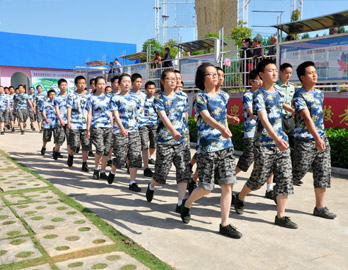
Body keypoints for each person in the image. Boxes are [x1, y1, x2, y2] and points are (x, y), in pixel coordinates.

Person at [233, 59, 298, 229]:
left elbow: (278, 103)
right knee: (258, 179)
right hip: (264, 143)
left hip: (280, 141)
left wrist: (290, 109)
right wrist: (276, 138)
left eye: (276, 70)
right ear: (261, 75)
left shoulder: (278, 91)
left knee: (285, 177)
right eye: (270, 70)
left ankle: (281, 215)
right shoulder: (257, 95)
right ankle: (240, 196)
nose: (275, 73)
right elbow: (262, 117)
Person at [180, 63, 242, 239]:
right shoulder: (200, 97)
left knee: (228, 185)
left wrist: (227, 128)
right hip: (207, 147)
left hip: (226, 146)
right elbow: (207, 117)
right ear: (202, 78)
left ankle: (225, 224)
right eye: (211, 74)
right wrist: (221, 129)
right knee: (206, 188)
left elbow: (222, 116)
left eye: (217, 74)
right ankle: (187, 204)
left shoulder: (224, 96)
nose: (216, 77)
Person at [292, 61, 336, 220]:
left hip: (321, 138)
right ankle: (280, 189)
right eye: (310, 73)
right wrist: (316, 138)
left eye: (315, 72)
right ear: (302, 77)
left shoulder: (319, 94)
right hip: (305, 140)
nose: (315, 75)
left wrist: (320, 137)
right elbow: (306, 117)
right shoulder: (299, 95)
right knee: (298, 172)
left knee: (323, 172)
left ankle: (320, 207)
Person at [145, 69, 190, 213]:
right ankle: (152, 185)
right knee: (162, 171)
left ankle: (180, 203)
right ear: (163, 81)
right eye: (169, 79)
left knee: (183, 171)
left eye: (175, 79)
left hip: (181, 140)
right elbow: (163, 118)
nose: (173, 81)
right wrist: (174, 131)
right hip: (165, 140)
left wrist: (184, 132)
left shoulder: (183, 97)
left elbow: (185, 116)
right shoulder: (159, 99)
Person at [107, 73, 142, 192]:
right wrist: (121, 128)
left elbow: (138, 113)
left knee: (135, 156)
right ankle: (113, 170)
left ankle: (132, 182)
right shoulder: (115, 98)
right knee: (121, 158)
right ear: (119, 83)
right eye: (124, 81)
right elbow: (115, 114)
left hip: (134, 131)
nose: (127, 84)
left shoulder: (135, 98)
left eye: (129, 82)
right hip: (120, 131)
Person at [87, 76, 113, 180]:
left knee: (106, 150)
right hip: (96, 126)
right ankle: (96, 168)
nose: (102, 86)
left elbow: (111, 113)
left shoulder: (109, 98)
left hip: (108, 126)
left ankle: (103, 170)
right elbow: (89, 114)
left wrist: (112, 127)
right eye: (99, 84)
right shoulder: (91, 98)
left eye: (103, 84)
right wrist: (88, 129)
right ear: (95, 85)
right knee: (100, 148)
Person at [66, 75, 91, 172]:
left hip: (86, 124)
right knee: (75, 144)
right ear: (76, 84)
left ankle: (84, 163)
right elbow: (69, 109)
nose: (82, 85)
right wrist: (68, 121)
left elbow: (90, 111)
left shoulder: (89, 95)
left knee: (86, 145)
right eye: (80, 83)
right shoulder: (71, 95)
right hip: (75, 123)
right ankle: (71, 155)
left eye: (83, 83)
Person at [276, 63, 296, 165]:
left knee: (293, 144)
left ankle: (291, 173)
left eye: (290, 73)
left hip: (290, 119)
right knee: (280, 145)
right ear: (281, 73)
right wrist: (291, 109)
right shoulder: (275, 86)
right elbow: (279, 102)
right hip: (279, 119)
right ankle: (276, 173)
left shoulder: (292, 87)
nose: (288, 75)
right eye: (286, 73)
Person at [53, 78, 69, 160]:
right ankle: (56, 151)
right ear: (59, 86)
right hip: (60, 121)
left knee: (70, 139)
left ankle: (70, 156)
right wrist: (61, 120)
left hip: (69, 121)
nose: (64, 87)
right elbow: (57, 110)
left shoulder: (70, 96)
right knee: (60, 138)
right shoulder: (56, 98)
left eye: (65, 85)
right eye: (62, 85)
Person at [144, 81, 158, 165]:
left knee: (153, 141)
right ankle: (144, 158)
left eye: (153, 88)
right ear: (146, 89)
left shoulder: (157, 99)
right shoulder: (142, 99)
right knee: (144, 142)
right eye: (149, 88)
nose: (151, 90)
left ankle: (151, 157)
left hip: (154, 123)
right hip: (144, 124)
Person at [40, 89, 57, 156]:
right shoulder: (45, 103)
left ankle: (55, 149)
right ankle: (44, 146)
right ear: (48, 96)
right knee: (46, 137)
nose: (53, 96)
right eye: (51, 95)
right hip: (48, 123)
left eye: (54, 95)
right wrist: (46, 118)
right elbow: (43, 111)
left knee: (57, 137)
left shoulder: (57, 103)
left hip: (56, 122)